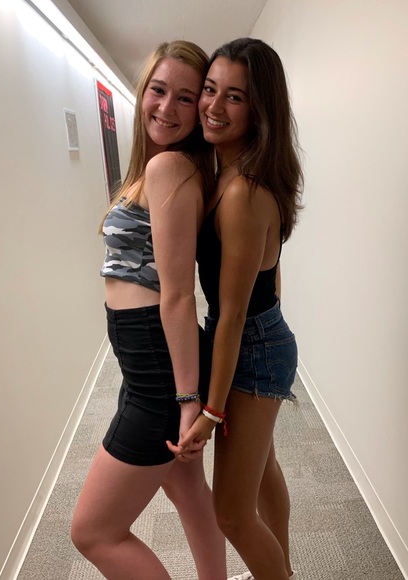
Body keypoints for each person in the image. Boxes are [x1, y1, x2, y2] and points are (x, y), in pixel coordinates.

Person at [71, 40, 226, 580]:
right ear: (143, 92)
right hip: (145, 360)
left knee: (93, 531)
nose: (167, 107)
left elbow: (179, 295)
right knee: (187, 489)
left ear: (200, 108)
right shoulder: (159, 167)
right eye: (158, 90)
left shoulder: (170, 168)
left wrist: (187, 400)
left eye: (185, 97)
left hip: (160, 369)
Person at [169, 38, 304, 580]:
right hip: (259, 335)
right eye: (210, 89)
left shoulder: (243, 192)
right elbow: (270, 281)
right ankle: (280, 565)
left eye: (235, 97)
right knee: (263, 469)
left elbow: (231, 317)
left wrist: (212, 412)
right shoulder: (228, 171)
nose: (214, 106)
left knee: (231, 512)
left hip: (252, 345)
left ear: (259, 110)